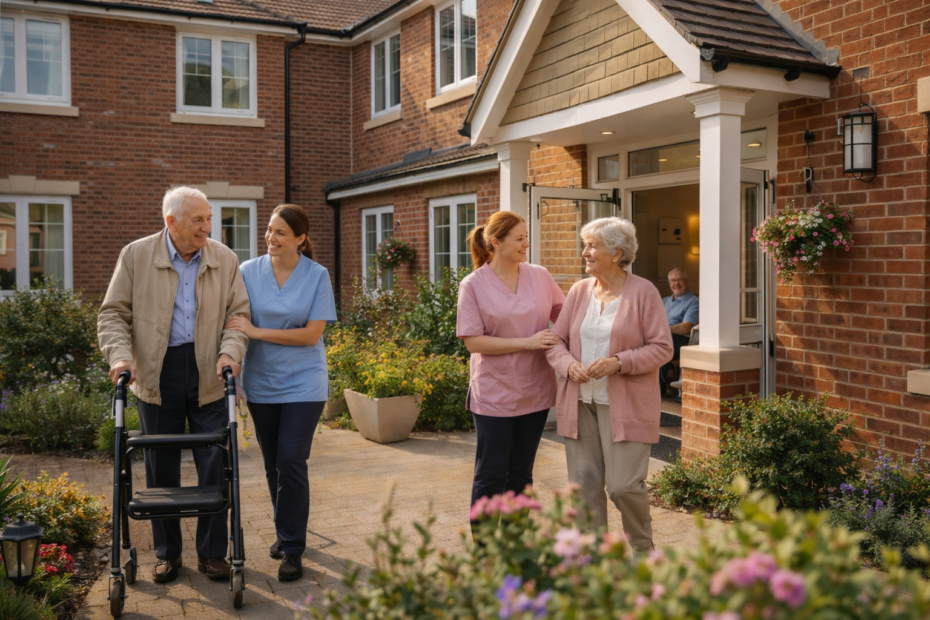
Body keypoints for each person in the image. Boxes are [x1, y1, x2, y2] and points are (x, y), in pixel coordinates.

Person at [98, 186, 251, 584]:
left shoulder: (224, 258)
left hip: (210, 370)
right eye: (198, 219)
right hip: (154, 370)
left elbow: (238, 315)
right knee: (158, 464)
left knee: (214, 461)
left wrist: (229, 353)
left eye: (208, 218)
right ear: (171, 222)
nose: (207, 226)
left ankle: (213, 554)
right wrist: (120, 356)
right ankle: (168, 553)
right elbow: (113, 314)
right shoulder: (136, 255)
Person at [224, 204, 336, 582]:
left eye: (280, 233)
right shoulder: (247, 272)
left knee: (291, 460)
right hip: (262, 383)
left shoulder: (317, 276)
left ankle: (292, 547)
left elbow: (311, 335)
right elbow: (235, 323)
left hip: (305, 383)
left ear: (300, 239)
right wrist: (234, 366)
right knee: (273, 463)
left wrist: (256, 332)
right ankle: (284, 530)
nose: (271, 238)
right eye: (269, 230)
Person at [546, 217, 672, 551]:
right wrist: (568, 364)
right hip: (581, 404)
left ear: (616, 253)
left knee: (623, 486)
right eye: (585, 244)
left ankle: (643, 550)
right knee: (584, 486)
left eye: (592, 246)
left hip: (626, 406)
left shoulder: (643, 292)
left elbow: (662, 348)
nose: (584, 252)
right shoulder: (579, 291)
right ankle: (594, 558)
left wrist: (619, 362)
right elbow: (555, 341)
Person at [456, 211, 565, 526]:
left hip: (535, 390)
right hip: (494, 394)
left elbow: (565, 314)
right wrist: (527, 342)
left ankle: (515, 544)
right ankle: (487, 550)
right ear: (496, 243)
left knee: (521, 471)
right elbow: (474, 342)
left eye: (526, 236)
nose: (526, 244)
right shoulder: (473, 285)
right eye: (519, 238)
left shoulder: (540, 275)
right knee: (492, 473)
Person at [659, 268, 699, 396]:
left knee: (657, 348)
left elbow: (686, 326)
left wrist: (663, 331)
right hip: (661, 336)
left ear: (688, 281)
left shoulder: (694, 301)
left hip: (680, 339)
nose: (676, 283)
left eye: (680, 279)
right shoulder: (664, 301)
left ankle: (657, 390)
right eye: (673, 280)